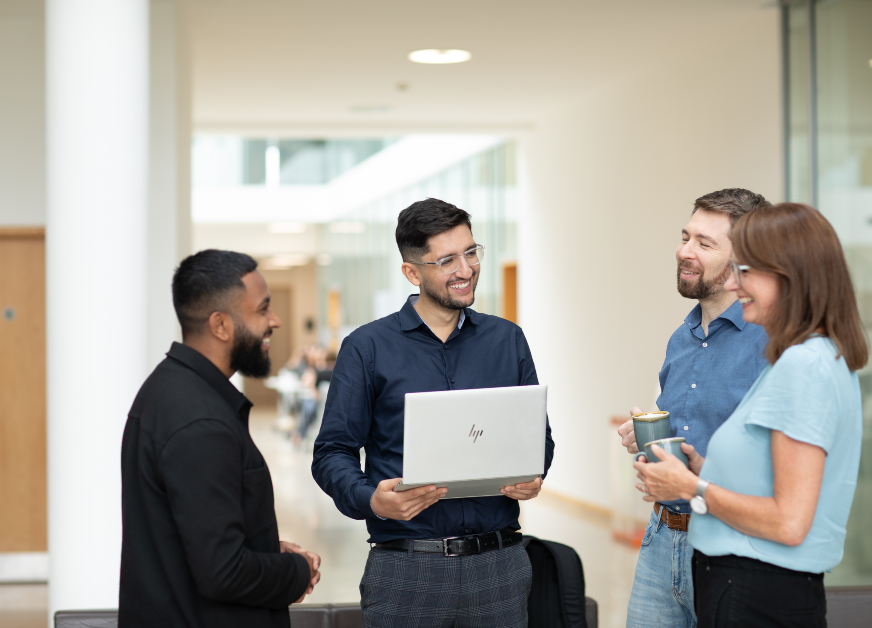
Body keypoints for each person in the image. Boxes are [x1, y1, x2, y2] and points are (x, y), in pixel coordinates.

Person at [312, 198, 555, 628]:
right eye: (446, 261)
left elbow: (538, 437)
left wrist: (534, 473)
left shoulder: (507, 340)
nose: (466, 270)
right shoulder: (367, 348)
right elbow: (332, 452)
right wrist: (372, 500)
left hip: (500, 567)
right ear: (412, 272)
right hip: (407, 571)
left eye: (471, 253)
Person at [636, 203, 867, 627]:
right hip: (751, 583)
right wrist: (702, 469)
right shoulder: (812, 357)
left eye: (745, 271)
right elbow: (771, 475)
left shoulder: (803, 366)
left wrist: (690, 487)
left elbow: (789, 521)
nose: (734, 284)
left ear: (789, 277)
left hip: (756, 588)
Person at [120, 249, 321, 628]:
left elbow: (194, 537)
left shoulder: (168, 389)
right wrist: (296, 571)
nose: (275, 321)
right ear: (221, 325)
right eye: (262, 309)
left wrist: (264, 552)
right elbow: (223, 572)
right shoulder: (200, 421)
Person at [617, 189, 771, 627]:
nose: (685, 251)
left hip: (729, 543)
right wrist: (646, 438)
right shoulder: (680, 338)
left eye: (704, 243)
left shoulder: (771, 342)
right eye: (686, 237)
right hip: (661, 536)